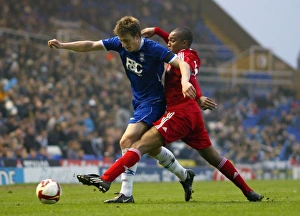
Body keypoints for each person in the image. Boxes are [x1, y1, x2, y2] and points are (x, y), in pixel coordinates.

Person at [77, 27, 264, 202]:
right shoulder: (182, 51)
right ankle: (248, 191)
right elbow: (176, 46)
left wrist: (195, 93)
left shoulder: (184, 57)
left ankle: (107, 178)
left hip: (179, 112)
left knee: (139, 144)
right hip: (192, 115)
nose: (168, 42)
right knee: (214, 158)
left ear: (183, 43)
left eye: (172, 40)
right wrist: (158, 31)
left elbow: (187, 71)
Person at [48, 16, 199, 203]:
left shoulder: (153, 49)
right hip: (138, 103)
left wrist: (185, 81)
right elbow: (90, 45)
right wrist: (63, 45)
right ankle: (184, 175)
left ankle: (126, 193)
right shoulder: (119, 43)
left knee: (127, 140)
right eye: (121, 41)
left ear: (137, 36)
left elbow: (183, 64)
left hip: (154, 102)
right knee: (151, 148)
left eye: (127, 41)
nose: (123, 45)